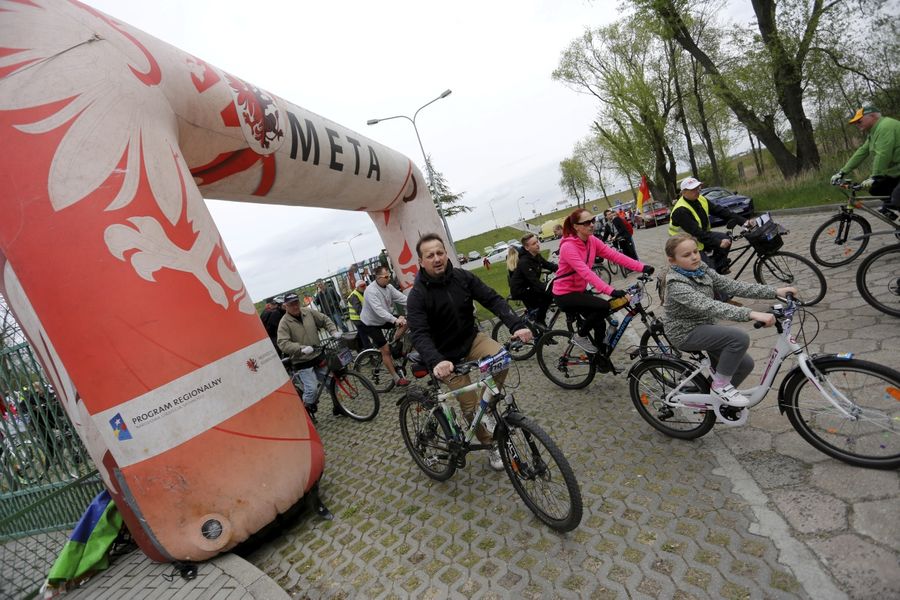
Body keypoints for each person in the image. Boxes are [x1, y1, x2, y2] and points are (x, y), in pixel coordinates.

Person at [407, 233, 533, 471]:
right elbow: (419, 333)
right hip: (445, 356)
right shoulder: (417, 295)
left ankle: (488, 405)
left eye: (440, 252)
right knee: (469, 405)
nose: (437, 258)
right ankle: (491, 445)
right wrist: (437, 361)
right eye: (430, 255)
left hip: (471, 339)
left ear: (446, 254)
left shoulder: (461, 277)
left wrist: (517, 325)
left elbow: (492, 299)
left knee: (502, 358)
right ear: (421, 262)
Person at [662, 234, 797, 407]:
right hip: (685, 332)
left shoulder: (700, 268)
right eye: (687, 255)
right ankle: (720, 386)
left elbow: (731, 286)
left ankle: (712, 400)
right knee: (738, 338)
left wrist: (775, 291)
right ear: (672, 261)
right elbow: (708, 305)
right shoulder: (675, 284)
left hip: (704, 325)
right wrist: (751, 314)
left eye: (695, 251)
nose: (694, 257)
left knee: (744, 364)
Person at [553, 208, 652, 354]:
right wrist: (611, 290)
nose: (592, 225)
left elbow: (615, 256)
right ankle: (580, 336)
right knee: (604, 306)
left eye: (592, 221)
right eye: (586, 222)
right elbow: (586, 273)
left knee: (600, 323)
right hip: (564, 294)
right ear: (576, 226)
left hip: (579, 290)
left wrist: (642, 267)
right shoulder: (568, 246)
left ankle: (600, 357)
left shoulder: (592, 240)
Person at [276, 292, 343, 418]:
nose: (295, 306)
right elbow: (282, 343)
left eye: (296, 302)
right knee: (312, 389)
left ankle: (338, 407)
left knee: (331, 382)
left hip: (317, 356)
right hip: (302, 361)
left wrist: (333, 331)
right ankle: (306, 411)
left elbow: (324, 319)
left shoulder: (308, 313)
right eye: (291, 304)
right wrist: (300, 348)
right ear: (286, 306)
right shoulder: (284, 323)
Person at [668, 176, 752, 274]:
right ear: (684, 192)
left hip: (700, 236)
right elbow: (697, 232)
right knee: (709, 272)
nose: (697, 191)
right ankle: (712, 276)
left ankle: (720, 267)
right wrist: (718, 242)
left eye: (698, 188)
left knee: (726, 238)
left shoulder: (701, 199)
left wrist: (743, 221)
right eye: (693, 189)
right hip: (684, 243)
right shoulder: (680, 210)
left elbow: (720, 211)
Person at [831, 104, 900, 217]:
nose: (857, 124)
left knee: (897, 197)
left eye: (859, 121)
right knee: (876, 189)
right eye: (855, 122)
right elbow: (861, 152)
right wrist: (842, 172)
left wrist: (875, 176)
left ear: (872, 116)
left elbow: (883, 154)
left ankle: (890, 205)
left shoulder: (885, 127)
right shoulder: (874, 132)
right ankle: (889, 206)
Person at [360, 266, 410, 387]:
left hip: (383, 318)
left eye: (390, 275)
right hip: (370, 323)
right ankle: (397, 378)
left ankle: (394, 347)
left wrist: (416, 302)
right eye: (386, 277)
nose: (389, 278)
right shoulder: (371, 291)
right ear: (377, 278)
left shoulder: (389, 287)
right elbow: (379, 310)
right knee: (385, 350)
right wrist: (395, 320)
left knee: (407, 322)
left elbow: (401, 298)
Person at [510, 233, 557, 326]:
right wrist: (547, 288)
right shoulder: (524, 262)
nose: (537, 244)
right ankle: (538, 324)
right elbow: (534, 281)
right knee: (547, 296)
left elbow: (549, 265)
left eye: (537, 242)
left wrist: (566, 269)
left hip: (529, 286)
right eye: (534, 243)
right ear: (527, 248)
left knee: (545, 299)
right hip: (521, 290)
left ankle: (544, 334)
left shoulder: (536, 256)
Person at [346, 279, 371, 350]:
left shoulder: (363, 292)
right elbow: (359, 310)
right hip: (357, 319)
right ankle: (369, 350)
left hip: (361, 317)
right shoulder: (354, 296)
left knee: (364, 333)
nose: (364, 287)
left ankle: (364, 347)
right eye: (362, 286)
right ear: (357, 287)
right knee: (365, 334)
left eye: (365, 285)